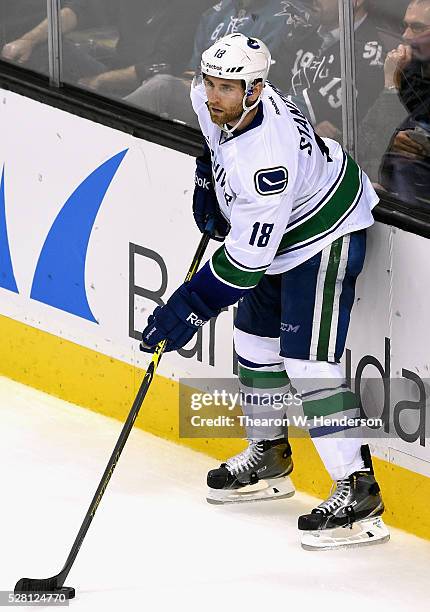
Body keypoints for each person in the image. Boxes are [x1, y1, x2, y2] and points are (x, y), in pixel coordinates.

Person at [139, 33, 389, 550]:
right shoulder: (217, 98)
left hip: (325, 233)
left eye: (226, 88)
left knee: (309, 365)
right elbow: (213, 138)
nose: (212, 95)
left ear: (255, 91)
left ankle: (359, 493)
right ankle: (270, 456)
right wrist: (207, 176)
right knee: (253, 343)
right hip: (279, 230)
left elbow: (245, 264)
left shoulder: (266, 163)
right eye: (210, 82)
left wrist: (188, 306)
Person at [123, 0, 314, 125]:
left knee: (162, 87)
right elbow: (193, 71)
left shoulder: (290, 18)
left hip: (245, 109)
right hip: (205, 96)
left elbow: (268, 82)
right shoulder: (215, 12)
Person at [271, 0, 386, 142]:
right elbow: (270, 78)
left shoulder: (368, 55)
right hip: (274, 132)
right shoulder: (305, 29)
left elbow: (310, 107)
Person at [0, 0, 104, 81]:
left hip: (42, 43)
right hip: (25, 51)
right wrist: (28, 41)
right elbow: (74, 11)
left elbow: (75, 10)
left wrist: (28, 40)